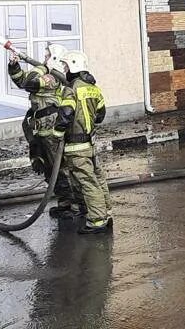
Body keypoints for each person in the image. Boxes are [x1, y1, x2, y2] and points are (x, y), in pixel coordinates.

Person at [6, 44, 76, 215]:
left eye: (47, 56)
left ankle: (73, 204)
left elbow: (30, 83)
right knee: (49, 168)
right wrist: (14, 65)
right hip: (41, 130)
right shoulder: (46, 74)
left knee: (60, 168)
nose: (44, 58)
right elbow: (22, 80)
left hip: (51, 130)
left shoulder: (52, 78)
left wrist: (43, 67)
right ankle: (64, 202)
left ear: (54, 59)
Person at [60, 49, 113, 235]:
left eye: (66, 65)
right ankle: (105, 212)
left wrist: (57, 131)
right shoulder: (93, 88)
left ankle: (97, 220)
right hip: (90, 143)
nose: (64, 69)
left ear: (73, 66)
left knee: (87, 181)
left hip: (76, 146)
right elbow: (101, 115)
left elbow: (66, 114)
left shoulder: (71, 89)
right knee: (97, 177)